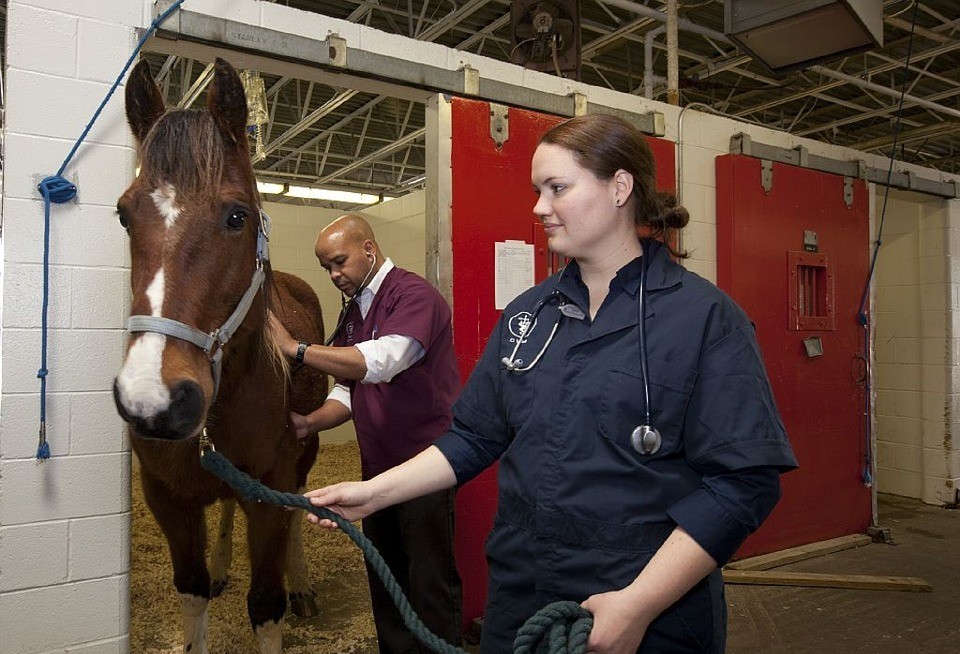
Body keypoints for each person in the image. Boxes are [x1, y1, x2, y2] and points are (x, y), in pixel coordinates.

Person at [301, 115, 798, 654]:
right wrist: (372, 494)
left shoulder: (704, 318)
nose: (539, 208)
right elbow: (472, 438)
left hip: (644, 606)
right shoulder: (527, 317)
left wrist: (638, 605)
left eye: (557, 188)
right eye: (538, 190)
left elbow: (743, 484)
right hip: (524, 597)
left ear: (620, 188)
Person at [268, 213, 463, 654]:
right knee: (385, 573)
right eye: (326, 268)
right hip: (377, 469)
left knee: (429, 581)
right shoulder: (356, 307)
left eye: (339, 262)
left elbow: (382, 361)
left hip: (425, 465)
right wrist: (310, 422)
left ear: (369, 250)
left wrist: (296, 350)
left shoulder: (414, 295)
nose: (334, 275)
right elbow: (350, 389)